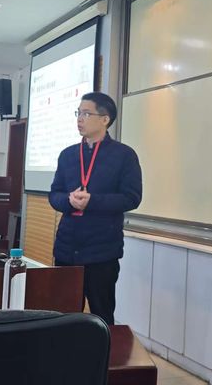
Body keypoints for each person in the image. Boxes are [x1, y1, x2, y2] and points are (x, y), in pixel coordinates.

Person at [49, 92, 142, 324]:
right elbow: (54, 194)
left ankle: (102, 350)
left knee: (102, 317)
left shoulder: (124, 155)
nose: (79, 119)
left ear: (105, 119)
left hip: (102, 252)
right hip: (66, 249)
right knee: (62, 317)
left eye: (86, 113)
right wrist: (68, 201)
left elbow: (131, 198)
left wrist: (93, 201)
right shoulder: (68, 155)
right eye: (78, 113)